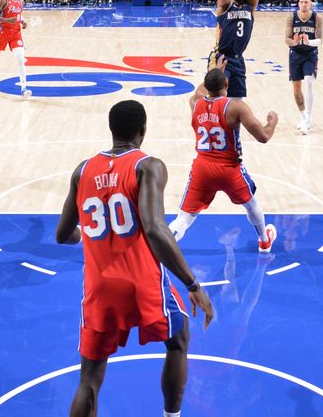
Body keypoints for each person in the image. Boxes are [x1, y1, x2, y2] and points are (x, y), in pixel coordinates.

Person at [55, 100, 214, 417]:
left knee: (89, 379)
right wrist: (192, 283)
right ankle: (172, 416)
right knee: (179, 338)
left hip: (99, 289)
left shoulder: (82, 170)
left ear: (111, 130)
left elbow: (63, 234)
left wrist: (88, 235)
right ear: (143, 130)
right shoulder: (148, 166)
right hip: (142, 284)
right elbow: (155, 229)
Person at [169, 61, 279, 253]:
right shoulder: (236, 107)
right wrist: (272, 122)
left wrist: (216, 71)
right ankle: (264, 240)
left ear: (207, 86)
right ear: (226, 85)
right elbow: (264, 137)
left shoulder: (195, 102)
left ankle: (160, 249)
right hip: (229, 169)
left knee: (184, 218)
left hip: (202, 168)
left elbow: (199, 90)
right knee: (251, 204)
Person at [286, 0, 323, 134]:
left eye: (306, 2)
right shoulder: (291, 17)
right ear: (298, 3)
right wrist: (294, 42)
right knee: (296, 89)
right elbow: (286, 39)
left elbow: (320, 40)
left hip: (310, 54)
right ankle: (303, 116)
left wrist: (309, 42)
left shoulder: (317, 17)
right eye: (301, 2)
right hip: (295, 55)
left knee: (308, 81)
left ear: (311, 3)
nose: (303, 4)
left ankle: (307, 121)